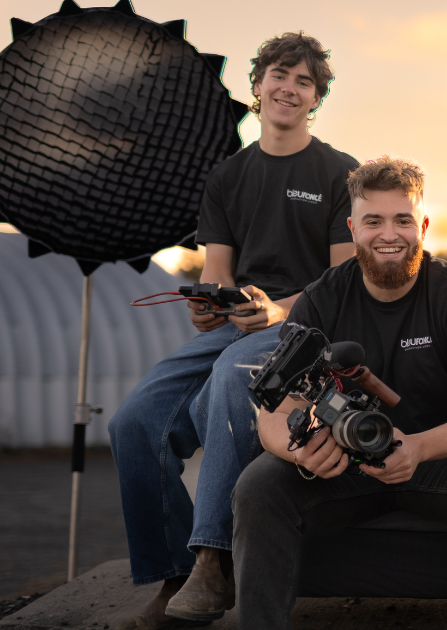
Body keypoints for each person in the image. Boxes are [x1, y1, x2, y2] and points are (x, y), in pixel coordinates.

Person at [107, 32, 357, 629]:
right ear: (257, 86)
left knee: (230, 373)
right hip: (240, 324)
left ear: (316, 99)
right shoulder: (225, 177)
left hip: (306, 326)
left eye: (304, 82)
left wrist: (276, 312)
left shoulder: (339, 172)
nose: (289, 89)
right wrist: (208, 307)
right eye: (280, 75)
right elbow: (217, 273)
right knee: (134, 421)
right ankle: (172, 580)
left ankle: (213, 561)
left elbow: (344, 281)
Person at [232, 156, 447, 630]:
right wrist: (301, 454)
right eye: (373, 221)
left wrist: (415, 447)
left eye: (402, 220)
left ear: (424, 226)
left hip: (438, 464)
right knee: (259, 482)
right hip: (343, 468)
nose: (388, 234)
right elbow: (273, 409)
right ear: (352, 228)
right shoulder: (320, 299)